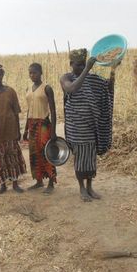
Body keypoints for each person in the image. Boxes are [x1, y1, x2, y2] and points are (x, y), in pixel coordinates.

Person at [60, 49, 119, 202]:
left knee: (91, 160)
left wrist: (113, 70)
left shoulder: (92, 79)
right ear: (71, 64)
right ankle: (81, 188)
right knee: (80, 160)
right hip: (76, 128)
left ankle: (90, 187)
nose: (80, 67)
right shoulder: (66, 77)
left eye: (83, 64)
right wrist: (86, 69)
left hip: (91, 127)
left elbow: (108, 89)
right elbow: (71, 89)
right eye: (78, 65)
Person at [0, 60, 26, 194]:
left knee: (13, 157)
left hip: (11, 131)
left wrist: (18, 131)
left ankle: (15, 183)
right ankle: (2, 184)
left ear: (3, 75)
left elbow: (16, 112)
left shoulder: (11, 92)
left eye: (0, 75)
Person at [23, 63, 57, 194]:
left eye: (34, 73)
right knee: (34, 154)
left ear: (40, 72)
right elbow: (28, 110)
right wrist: (25, 129)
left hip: (43, 124)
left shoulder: (47, 88)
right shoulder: (29, 88)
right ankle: (38, 181)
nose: (32, 75)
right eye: (30, 73)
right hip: (32, 124)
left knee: (46, 153)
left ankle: (51, 182)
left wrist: (53, 130)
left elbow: (53, 111)